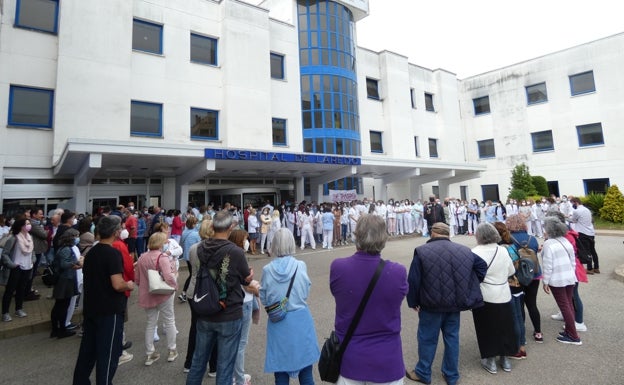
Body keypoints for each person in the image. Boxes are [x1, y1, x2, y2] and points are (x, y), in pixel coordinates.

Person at [406, 222, 486, 385]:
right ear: (447, 234)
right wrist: (469, 284)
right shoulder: (464, 250)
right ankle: (451, 374)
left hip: (430, 304)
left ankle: (423, 372)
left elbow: (413, 280)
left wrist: (413, 301)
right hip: (454, 303)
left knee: (427, 338)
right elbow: (482, 266)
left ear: (433, 233)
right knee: (452, 338)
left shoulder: (422, 251)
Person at [330, 214, 407, 384]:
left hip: (350, 357)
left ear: (357, 236)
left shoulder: (339, 267)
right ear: (384, 238)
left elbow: (337, 292)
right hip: (387, 359)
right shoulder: (398, 271)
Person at [186, 210, 253, 385]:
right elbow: (246, 277)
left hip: (204, 306)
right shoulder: (235, 252)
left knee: (198, 360)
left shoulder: (199, 248)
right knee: (225, 365)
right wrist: (249, 276)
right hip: (229, 311)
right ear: (231, 227)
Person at [73, 215, 135, 385]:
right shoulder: (112, 253)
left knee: (88, 351)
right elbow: (117, 284)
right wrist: (128, 284)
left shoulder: (92, 252)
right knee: (109, 354)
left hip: (92, 308)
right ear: (116, 232)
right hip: (109, 310)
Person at [260, 228, 319, 385]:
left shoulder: (267, 270)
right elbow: (305, 291)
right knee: (306, 374)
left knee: (281, 373)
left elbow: (264, 298)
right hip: (300, 319)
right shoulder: (301, 266)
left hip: (278, 321)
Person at [471, 223, 517, 374]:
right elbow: (511, 270)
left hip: (485, 293)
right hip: (503, 291)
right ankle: (505, 359)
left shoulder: (475, 252)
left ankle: (490, 360)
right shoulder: (502, 250)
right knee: (505, 326)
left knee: (486, 327)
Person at [135, 231, 179, 366]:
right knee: (169, 320)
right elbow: (168, 276)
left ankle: (150, 353)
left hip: (148, 294)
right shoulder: (162, 257)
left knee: (150, 323)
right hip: (164, 293)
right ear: (161, 243)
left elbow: (137, 279)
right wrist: (174, 285)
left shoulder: (142, 257)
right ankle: (172, 350)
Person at [541, 217, 581, 345]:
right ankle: (570, 331)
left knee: (564, 306)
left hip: (557, 279)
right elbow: (573, 261)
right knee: (568, 304)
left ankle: (574, 336)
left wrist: (545, 282)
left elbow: (548, 265)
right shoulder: (565, 240)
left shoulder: (548, 244)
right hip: (569, 277)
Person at [183, 218, 215, 373]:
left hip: (193, 289)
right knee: (214, 327)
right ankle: (213, 366)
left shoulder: (193, 248)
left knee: (195, 327)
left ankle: (189, 363)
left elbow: (192, 270)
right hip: (209, 291)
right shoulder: (215, 248)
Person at [229, 229, 260, 385]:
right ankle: (239, 378)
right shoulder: (239, 256)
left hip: (232, 302)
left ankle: (233, 375)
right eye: (246, 239)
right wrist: (252, 281)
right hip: (244, 302)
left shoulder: (227, 255)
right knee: (241, 343)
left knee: (233, 341)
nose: (248, 242)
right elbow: (245, 283)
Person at [505, 214, 542, 343]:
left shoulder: (509, 239)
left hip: (517, 275)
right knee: (532, 304)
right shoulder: (532, 238)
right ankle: (538, 332)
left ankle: (522, 334)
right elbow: (536, 250)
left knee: (519, 306)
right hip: (534, 273)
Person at [492, 222, 526, 360]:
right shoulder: (512, 245)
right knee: (518, 316)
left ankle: (515, 348)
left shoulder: (501, 248)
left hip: (508, 284)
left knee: (513, 318)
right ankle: (522, 345)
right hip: (517, 283)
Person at [2, 217, 35, 322]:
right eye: (27, 224)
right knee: (10, 291)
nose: (29, 225)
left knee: (22, 289)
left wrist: (32, 261)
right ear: (21, 226)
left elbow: (32, 252)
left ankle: (18, 309)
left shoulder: (30, 237)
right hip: (16, 268)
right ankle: (5, 312)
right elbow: (5, 254)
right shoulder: (13, 238)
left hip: (27, 267)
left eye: (29, 223)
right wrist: (12, 264)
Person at [50, 228, 81, 338]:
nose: (78, 238)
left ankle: (57, 329)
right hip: (65, 280)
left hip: (65, 278)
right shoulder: (66, 249)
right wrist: (76, 263)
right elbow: (64, 264)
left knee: (60, 305)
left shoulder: (64, 248)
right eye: (76, 236)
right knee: (63, 305)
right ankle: (61, 329)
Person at [569, 197, 600, 274]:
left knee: (586, 251)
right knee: (593, 250)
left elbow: (573, 220)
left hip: (583, 232)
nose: (573, 205)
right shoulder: (587, 210)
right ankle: (596, 267)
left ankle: (589, 268)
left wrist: (565, 217)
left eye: (572, 203)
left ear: (575, 202)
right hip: (591, 232)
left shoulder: (577, 211)